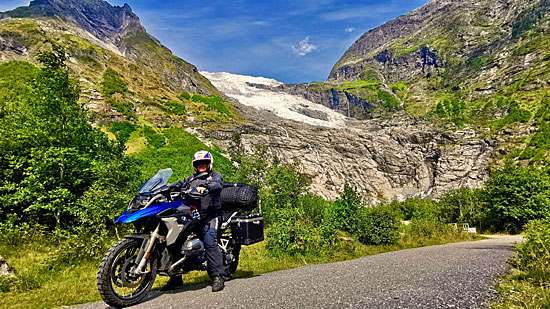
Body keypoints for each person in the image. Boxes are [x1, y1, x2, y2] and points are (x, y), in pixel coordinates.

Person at [161, 150, 225, 292]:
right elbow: (180, 183)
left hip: (211, 215)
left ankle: (217, 276)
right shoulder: (191, 178)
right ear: (195, 166)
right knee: (176, 240)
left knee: (209, 240)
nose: (201, 166)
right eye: (198, 164)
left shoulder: (215, 176)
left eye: (204, 163)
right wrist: (166, 188)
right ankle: (176, 278)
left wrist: (206, 187)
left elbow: (218, 184)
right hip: (194, 215)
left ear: (209, 164)